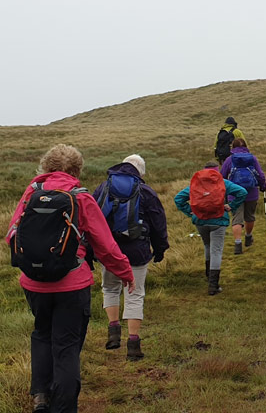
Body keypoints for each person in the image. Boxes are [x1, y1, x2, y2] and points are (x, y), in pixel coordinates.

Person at [5, 144, 135, 413]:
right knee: (66, 345)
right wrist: (125, 272)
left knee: (41, 334)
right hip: (72, 284)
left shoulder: (32, 193)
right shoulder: (80, 197)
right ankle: (63, 408)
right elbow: (105, 245)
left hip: (34, 284)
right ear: (77, 170)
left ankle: (40, 396)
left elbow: (12, 234)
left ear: (46, 167)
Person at [93, 154, 169, 361]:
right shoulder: (145, 191)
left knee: (109, 288)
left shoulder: (103, 188)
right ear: (140, 172)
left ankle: (113, 333)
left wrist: (93, 250)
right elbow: (158, 222)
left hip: (109, 251)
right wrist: (160, 248)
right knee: (135, 294)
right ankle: (133, 344)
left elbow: (91, 219)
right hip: (137, 251)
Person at [174, 161, 247, 295]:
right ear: (217, 171)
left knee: (207, 246)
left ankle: (208, 275)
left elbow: (178, 199)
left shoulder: (196, 183)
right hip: (218, 220)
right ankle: (213, 286)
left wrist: (191, 211)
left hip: (200, 221)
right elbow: (242, 192)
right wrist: (232, 206)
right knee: (216, 251)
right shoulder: (223, 182)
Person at [220, 138, 266, 254]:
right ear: (245, 146)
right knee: (250, 216)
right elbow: (260, 174)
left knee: (237, 219)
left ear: (233, 147)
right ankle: (248, 236)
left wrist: (224, 190)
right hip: (251, 192)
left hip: (234, 193)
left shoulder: (229, 160)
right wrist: (263, 186)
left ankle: (237, 244)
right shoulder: (252, 158)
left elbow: (221, 177)